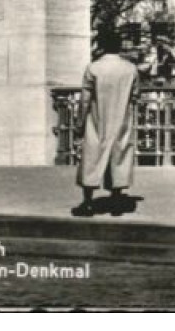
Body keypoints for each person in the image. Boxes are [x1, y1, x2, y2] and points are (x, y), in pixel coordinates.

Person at [73, 29, 139, 217]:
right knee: (120, 156)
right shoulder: (130, 69)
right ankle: (117, 201)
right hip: (121, 119)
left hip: (97, 119)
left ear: (102, 45)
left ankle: (87, 203)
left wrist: (79, 122)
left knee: (92, 158)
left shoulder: (93, 68)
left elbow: (85, 100)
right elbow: (135, 96)